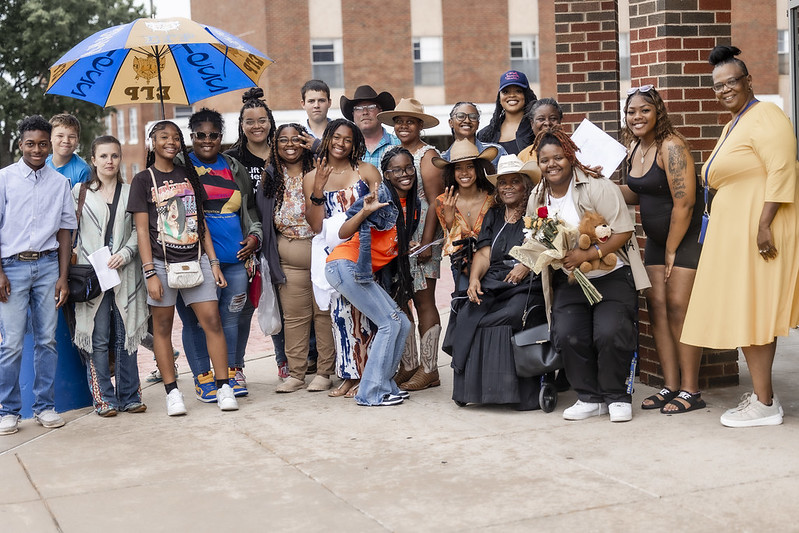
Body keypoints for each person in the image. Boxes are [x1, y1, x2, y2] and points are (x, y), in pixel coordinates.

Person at [682, 45, 799, 428]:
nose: (725, 90)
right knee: (748, 311)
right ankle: (765, 398)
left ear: (748, 80)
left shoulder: (766, 114)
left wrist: (764, 224)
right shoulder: (733, 123)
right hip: (736, 232)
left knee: (756, 311)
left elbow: (783, 170)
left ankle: (764, 404)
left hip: (760, 231)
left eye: (732, 81)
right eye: (717, 85)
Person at [526, 127, 650, 423]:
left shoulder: (596, 185)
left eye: (558, 157)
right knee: (568, 334)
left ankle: (616, 395)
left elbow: (622, 230)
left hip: (610, 274)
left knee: (610, 331)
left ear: (570, 157)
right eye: (545, 160)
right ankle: (589, 397)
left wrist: (587, 254)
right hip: (570, 279)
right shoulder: (537, 196)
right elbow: (536, 235)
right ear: (539, 164)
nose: (552, 164)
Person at [127, 120, 238, 415]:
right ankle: (172, 392)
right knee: (163, 328)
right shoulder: (143, 180)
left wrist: (213, 262)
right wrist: (149, 271)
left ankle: (224, 385)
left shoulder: (189, 174)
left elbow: (201, 224)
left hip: (196, 258)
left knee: (212, 321)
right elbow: (141, 231)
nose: (171, 142)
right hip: (162, 264)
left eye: (176, 137)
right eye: (164, 136)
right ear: (152, 141)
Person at [618, 86, 704, 414]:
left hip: (684, 238)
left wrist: (671, 250)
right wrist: (598, 184)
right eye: (631, 112)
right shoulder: (634, 148)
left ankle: (691, 389)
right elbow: (638, 192)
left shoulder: (672, 146)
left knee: (678, 307)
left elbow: (685, 202)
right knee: (655, 306)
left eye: (644, 110)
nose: (637, 117)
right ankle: (670, 385)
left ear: (658, 113)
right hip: (657, 241)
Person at [175, 108, 262, 401]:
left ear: (221, 137)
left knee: (231, 320)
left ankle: (233, 370)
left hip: (235, 259)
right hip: (194, 260)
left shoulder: (234, 167)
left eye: (213, 135)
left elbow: (249, 210)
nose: (207, 140)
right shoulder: (179, 166)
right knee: (196, 322)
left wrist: (254, 236)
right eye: (201, 135)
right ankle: (203, 376)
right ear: (192, 137)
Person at [443, 155, 543, 409]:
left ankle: (510, 391)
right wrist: (474, 279)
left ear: (525, 186)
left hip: (527, 281)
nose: (508, 187)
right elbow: (484, 252)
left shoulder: (538, 212)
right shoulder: (494, 214)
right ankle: (472, 390)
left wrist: (526, 263)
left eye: (514, 182)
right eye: (503, 182)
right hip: (495, 279)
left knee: (509, 314)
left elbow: (547, 246)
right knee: (468, 309)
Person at [324, 147, 419, 406]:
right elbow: (343, 232)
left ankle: (385, 384)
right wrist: (365, 211)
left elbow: (390, 242)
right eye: (396, 170)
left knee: (403, 323)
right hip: (345, 264)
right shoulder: (380, 196)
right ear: (386, 174)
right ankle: (370, 392)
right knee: (390, 322)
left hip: (357, 270)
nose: (404, 174)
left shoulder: (411, 205)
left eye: (409, 168)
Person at [0, 115, 76, 436]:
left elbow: (64, 232)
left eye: (42, 144)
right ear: (20, 144)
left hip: (47, 267)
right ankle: (7, 410)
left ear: (49, 145)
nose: (37, 149)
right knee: (12, 343)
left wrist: (62, 276)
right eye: (30, 143)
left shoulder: (60, 183)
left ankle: (44, 406)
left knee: (47, 340)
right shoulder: (4, 179)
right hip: (12, 268)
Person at [71, 136, 149, 416]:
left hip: (126, 273)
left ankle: (129, 396)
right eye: (103, 156)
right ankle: (104, 398)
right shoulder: (79, 192)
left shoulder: (131, 191)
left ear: (120, 159)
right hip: (92, 276)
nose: (109, 161)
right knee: (99, 337)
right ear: (93, 159)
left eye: (114, 156)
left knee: (126, 335)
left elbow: (138, 233)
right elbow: (72, 232)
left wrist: (126, 254)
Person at [304, 118, 382, 398]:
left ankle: (368, 374)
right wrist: (318, 188)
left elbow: (381, 211)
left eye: (347, 139)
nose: (340, 143)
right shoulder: (312, 176)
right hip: (332, 255)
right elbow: (315, 225)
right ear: (326, 138)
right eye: (336, 137)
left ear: (355, 144)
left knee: (365, 315)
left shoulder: (367, 171)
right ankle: (349, 376)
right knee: (340, 316)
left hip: (364, 250)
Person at [377, 98, 444, 390]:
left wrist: (427, 242)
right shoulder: (398, 154)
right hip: (399, 239)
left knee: (423, 299)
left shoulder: (427, 156)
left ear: (420, 125)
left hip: (422, 237)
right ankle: (410, 364)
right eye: (399, 121)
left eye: (410, 121)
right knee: (400, 298)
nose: (403, 126)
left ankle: (430, 368)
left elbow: (434, 203)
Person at [266, 123, 336, 393]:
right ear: (276, 144)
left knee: (323, 314)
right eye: (283, 140)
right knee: (294, 317)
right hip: (288, 255)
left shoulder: (320, 170)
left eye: (296, 139)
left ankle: (324, 372)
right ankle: (295, 374)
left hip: (320, 251)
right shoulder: (272, 175)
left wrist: (317, 145)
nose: (289, 144)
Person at [224, 88, 287, 379]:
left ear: (270, 121)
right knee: (244, 307)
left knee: (283, 305)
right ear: (241, 125)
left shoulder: (284, 153)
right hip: (246, 242)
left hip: (281, 240)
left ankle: (285, 362)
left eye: (262, 119)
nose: (257, 125)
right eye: (250, 121)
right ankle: (235, 366)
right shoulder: (231, 160)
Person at [433, 140, 498, 291]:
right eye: (458, 168)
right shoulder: (442, 202)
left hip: (493, 264)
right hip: (461, 265)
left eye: (470, 167)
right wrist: (449, 219)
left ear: (478, 169)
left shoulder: (493, 199)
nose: (464, 173)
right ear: (452, 172)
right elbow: (454, 244)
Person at [477, 70, 538, 155]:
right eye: (506, 92)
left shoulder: (536, 128)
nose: (512, 95)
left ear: (526, 95)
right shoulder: (485, 135)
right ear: (499, 97)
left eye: (518, 91)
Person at [340, 85, 400, 167]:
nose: (365, 112)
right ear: (353, 115)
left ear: (380, 112)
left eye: (371, 107)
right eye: (358, 108)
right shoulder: (344, 148)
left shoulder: (399, 144)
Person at [441, 102, 505, 168]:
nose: (467, 120)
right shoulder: (443, 159)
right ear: (451, 122)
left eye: (473, 117)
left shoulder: (497, 152)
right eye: (460, 116)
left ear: (478, 124)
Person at [46, 113, 90, 187]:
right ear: (50, 137)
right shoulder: (41, 164)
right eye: (60, 136)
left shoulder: (83, 170)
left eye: (71, 137)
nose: (66, 141)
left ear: (77, 140)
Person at [518, 98, 564, 163]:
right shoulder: (523, 156)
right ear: (532, 123)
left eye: (553, 118)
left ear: (560, 121)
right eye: (541, 119)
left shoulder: (570, 151)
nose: (547, 123)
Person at [299, 79, 332, 152]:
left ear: (329, 103)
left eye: (321, 100)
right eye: (311, 101)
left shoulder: (341, 131)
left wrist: (317, 146)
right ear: (303, 104)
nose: (316, 105)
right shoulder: (297, 134)